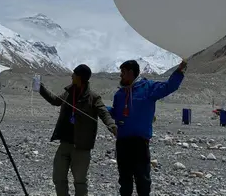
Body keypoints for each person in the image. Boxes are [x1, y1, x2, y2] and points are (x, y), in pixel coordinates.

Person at [108, 59, 187, 196]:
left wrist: (179, 72)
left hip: (140, 143)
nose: (120, 76)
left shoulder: (148, 88)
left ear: (131, 73)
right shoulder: (119, 94)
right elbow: (115, 113)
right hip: (122, 142)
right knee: (124, 179)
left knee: (143, 179)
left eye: (123, 73)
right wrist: (101, 108)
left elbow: (169, 87)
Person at [38, 64, 117, 196]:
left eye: (74, 74)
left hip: (81, 147)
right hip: (64, 144)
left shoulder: (94, 97)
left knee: (80, 181)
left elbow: (104, 113)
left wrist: (112, 126)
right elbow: (55, 101)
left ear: (80, 77)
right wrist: (40, 88)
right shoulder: (69, 92)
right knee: (58, 177)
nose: (71, 76)